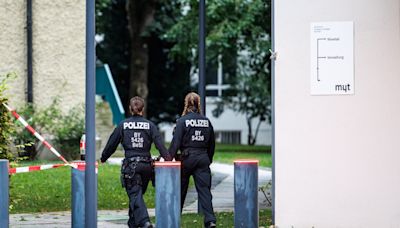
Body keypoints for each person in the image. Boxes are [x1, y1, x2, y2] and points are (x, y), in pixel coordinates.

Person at [101, 96, 171, 228]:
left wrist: (104, 157)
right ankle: (132, 224)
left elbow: (112, 143)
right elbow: (160, 145)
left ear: (130, 109)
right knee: (136, 195)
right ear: (142, 109)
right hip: (146, 167)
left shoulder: (123, 125)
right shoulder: (150, 125)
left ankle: (144, 222)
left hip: (131, 167)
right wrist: (168, 159)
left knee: (135, 195)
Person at [169, 92, 217, 228]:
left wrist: (168, 159)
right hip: (202, 158)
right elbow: (212, 144)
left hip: (186, 159)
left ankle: (174, 218)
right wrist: (208, 159)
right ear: (198, 104)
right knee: (204, 191)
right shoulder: (206, 121)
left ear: (186, 104)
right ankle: (210, 220)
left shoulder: (182, 121)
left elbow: (175, 143)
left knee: (181, 190)